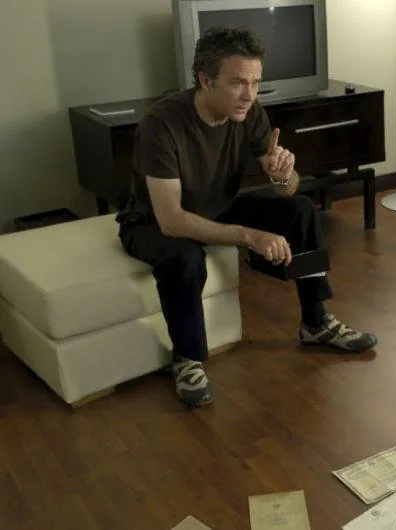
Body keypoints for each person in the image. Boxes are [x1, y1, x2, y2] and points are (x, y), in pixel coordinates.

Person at [116, 26, 377, 407]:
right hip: (152, 223)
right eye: (238, 82)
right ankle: (187, 358)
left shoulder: (249, 113)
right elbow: (171, 219)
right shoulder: (162, 124)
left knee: (301, 209)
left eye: (255, 83)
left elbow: (287, 189)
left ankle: (316, 321)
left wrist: (282, 174)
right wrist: (250, 236)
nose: (249, 94)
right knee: (184, 256)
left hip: (217, 207)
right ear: (206, 80)